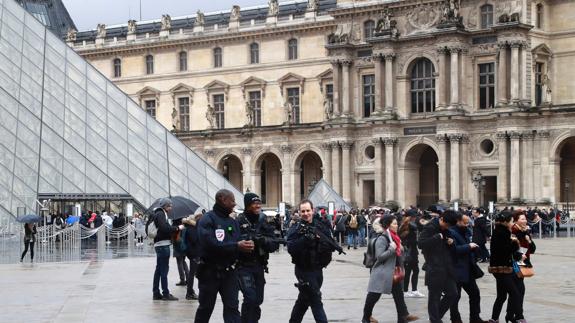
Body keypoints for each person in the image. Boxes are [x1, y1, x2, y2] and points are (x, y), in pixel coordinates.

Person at [194, 189, 253, 323]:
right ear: (222, 199)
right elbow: (210, 244)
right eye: (231, 200)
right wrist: (236, 246)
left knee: (232, 308)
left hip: (229, 273)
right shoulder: (207, 219)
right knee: (205, 308)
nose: (234, 204)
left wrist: (246, 247)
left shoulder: (233, 222)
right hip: (209, 272)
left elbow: (237, 242)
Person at [287, 199, 340, 323]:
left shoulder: (320, 226)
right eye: (303, 211)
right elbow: (291, 248)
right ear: (299, 212)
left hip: (318, 269)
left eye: (308, 210)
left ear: (313, 210)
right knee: (316, 300)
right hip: (303, 270)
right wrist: (306, 239)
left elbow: (330, 244)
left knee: (303, 301)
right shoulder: (296, 228)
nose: (306, 213)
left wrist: (320, 240)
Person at [361, 215, 419, 323]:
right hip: (382, 272)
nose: (397, 226)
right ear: (387, 225)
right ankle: (366, 317)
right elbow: (380, 256)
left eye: (397, 223)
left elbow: (398, 254)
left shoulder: (394, 238)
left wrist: (401, 249)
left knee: (399, 295)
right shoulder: (382, 239)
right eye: (394, 224)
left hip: (394, 272)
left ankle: (403, 317)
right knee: (374, 296)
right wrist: (392, 249)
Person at [237, 193, 280, 323]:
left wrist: (262, 241)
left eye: (259, 203)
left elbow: (274, 243)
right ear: (247, 205)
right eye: (254, 203)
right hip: (243, 266)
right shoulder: (239, 221)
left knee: (258, 299)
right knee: (250, 297)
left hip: (259, 265)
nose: (258, 205)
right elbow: (233, 242)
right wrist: (244, 242)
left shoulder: (263, 220)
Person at [418, 210, 459, 323]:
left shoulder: (446, 229)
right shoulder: (430, 227)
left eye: (449, 226)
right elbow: (421, 243)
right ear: (441, 219)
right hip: (434, 267)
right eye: (446, 225)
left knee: (453, 293)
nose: (447, 227)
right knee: (434, 297)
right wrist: (437, 237)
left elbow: (448, 243)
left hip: (446, 267)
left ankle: (437, 316)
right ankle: (435, 319)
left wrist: (451, 242)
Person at [448, 213, 488, 323]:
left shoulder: (466, 232)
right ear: (458, 221)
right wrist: (468, 246)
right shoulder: (451, 232)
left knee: (475, 293)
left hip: (468, 268)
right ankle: (455, 319)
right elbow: (453, 250)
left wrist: (474, 249)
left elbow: (470, 244)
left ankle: (475, 318)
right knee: (456, 296)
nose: (467, 225)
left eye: (468, 222)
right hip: (456, 269)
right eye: (465, 223)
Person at [488, 211, 525, 323]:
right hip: (504, 268)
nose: (512, 223)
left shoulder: (504, 231)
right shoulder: (502, 232)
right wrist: (514, 243)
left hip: (509, 266)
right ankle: (519, 317)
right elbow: (505, 250)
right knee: (515, 293)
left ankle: (495, 318)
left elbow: (510, 251)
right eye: (512, 221)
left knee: (503, 295)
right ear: (506, 222)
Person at [152, 198, 184, 301]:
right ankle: (165, 293)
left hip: (159, 244)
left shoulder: (157, 213)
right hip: (163, 245)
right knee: (164, 270)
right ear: (165, 206)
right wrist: (177, 228)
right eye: (170, 206)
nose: (171, 208)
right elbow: (164, 228)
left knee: (158, 270)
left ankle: (156, 293)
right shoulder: (161, 214)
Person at [506, 210, 536, 323]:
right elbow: (512, 247)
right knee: (519, 290)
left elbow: (532, 249)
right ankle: (518, 316)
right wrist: (524, 234)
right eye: (522, 219)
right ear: (516, 220)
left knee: (517, 290)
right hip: (515, 262)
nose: (525, 221)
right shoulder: (513, 230)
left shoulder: (526, 231)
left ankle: (510, 315)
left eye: (525, 219)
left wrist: (529, 240)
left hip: (523, 262)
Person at [399, 211, 424, 298]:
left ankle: (413, 290)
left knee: (414, 271)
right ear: (410, 217)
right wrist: (417, 241)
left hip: (412, 251)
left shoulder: (406, 225)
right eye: (414, 216)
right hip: (409, 252)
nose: (415, 218)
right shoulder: (409, 226)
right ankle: (407, 290)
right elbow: (405, 240)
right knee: (409, 271)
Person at [183, 213, 201, 300]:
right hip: (194, 253)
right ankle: (189, 292)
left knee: (193, 273)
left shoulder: (190, 228)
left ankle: (190, 291)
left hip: (193, 253)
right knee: (193, 273)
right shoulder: (191, 228)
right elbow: (194, 239)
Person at [172, 218, 189, 287]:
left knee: (179, 263)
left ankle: (182, 280)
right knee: (183, 262)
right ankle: (188, 279)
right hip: (184, 246)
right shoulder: (185, 226)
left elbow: (174, 238)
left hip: (178, 247)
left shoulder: (176, 227)